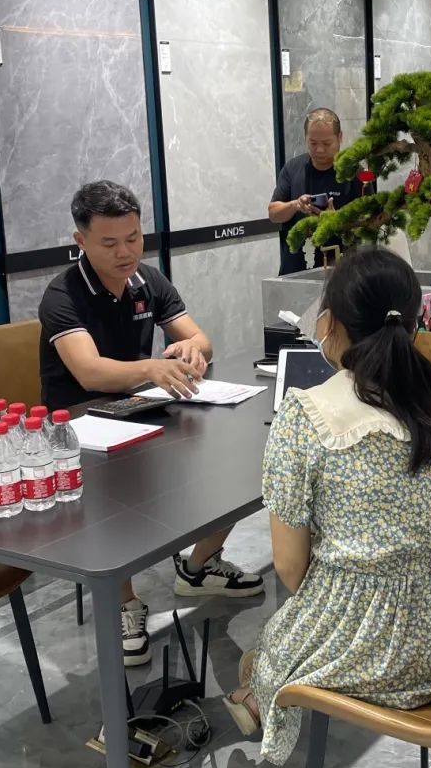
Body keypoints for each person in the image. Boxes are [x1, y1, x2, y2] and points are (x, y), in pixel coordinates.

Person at [224, 246, 431, 764]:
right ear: (414, 323)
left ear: (328, 323)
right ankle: (260, 686)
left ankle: (256, 694)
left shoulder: (308, 415)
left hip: (364, 652)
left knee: (269, 650)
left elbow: (290, 568)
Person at [38, 180, 263, 665]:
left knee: (237, 463)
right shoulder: (63, 295)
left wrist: (190, 350)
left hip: (140, 409)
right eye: (110, 243)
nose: (125, 252)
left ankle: (199, 566)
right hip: (82, 426)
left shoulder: (147, 280)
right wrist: (153, 368)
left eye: (134, 238)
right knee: (112, 498)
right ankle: (123, 603)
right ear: (80, 241)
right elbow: (90, 372)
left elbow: (201, 340)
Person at [269, 107, 363, 275]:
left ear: (340, 137)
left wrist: (338, 220)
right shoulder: (293, 168)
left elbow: (369, 223)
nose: (319, 150)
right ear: (305, 138)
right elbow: (273, 213)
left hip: (341, 273)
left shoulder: (354, 173)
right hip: (295, 271)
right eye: (313, 143)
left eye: (327, 143)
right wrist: (295, 205)